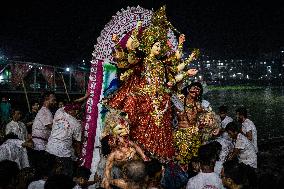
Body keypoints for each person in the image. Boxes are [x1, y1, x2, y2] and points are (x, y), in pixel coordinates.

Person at [105, 6, 199, 161]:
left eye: (161, 45)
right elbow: (125, 62)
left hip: (161, 100)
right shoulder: (142, 62)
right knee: (132, 107)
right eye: (157, 45)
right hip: (145, 99)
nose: (160, 47)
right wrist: (121, 41)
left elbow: (172, 77)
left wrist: (186, 72)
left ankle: (160, 159)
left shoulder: (162, 65)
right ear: (149, 45)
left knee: (163, 127)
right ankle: (138, 153)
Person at [174, 82, 220, 164]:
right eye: (194, 88)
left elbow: (212, 115)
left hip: (194, 135)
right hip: (180, 134)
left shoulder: (198, 105)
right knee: (181, 160)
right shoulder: (179, 99)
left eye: (198, 90)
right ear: (188, 89)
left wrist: (217, 127)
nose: (196, 90)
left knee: (194, 159)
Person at [45, 102, 82, 177]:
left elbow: (67, 105)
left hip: (50, 148)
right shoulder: (77, 124)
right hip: (63, 152)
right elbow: (77, 142)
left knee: (50, 173)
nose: (76, 112)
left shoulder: (59, 112)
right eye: (75, 110)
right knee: (67, 175)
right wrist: (79, 155)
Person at [31, 91, 56, 175]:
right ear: (46, 99)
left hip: (41, 143)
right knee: (41, 170)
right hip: (39, 145)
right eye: (53, 100)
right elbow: (51, 126)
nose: (54, 102)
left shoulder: (46, 111)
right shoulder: (45, 111)